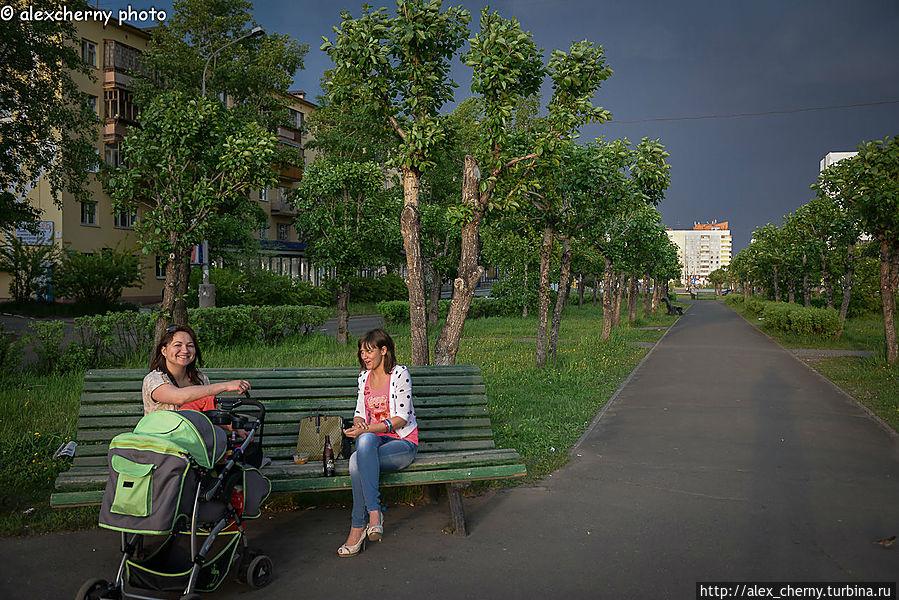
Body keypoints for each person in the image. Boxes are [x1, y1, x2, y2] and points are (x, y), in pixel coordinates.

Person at [338, 328, 418, 557]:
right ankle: (374, 515)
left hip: (402, 443)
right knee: (365, 442)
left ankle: (360, 524)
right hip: (374, 442)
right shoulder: (364, 377)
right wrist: (359, 425)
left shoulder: (399, 374)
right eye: (362, 352)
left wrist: (366, 430)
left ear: (384, 350)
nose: (364, 356)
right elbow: (359, 413)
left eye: (369, 351)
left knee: (356, 461)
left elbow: (401, 419)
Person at [142, 325, 251, 416]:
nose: (185, 350)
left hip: (194, 438)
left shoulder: (201, 379)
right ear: (164, 351)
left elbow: (208, 414)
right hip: (160, 439)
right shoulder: (154, 379)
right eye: (178, 345)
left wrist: (234, 427)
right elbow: (180, 398)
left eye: (190, 345)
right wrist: (225, 386)